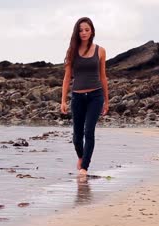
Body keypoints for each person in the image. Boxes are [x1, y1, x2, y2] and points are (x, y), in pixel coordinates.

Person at [60, 17, 109, 176]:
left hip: (96, 96)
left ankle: (84, 168)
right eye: (81, 30)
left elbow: (103, 76)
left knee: (89, 131)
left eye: (87, 30)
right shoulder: (72, 51)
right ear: (77, 32)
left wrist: (106, 101)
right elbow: (67, 77)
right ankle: (82, 157)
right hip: (77, 97)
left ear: (92, 31)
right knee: (76, 136)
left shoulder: (100, 51)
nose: (84, 33)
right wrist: (63, 100)